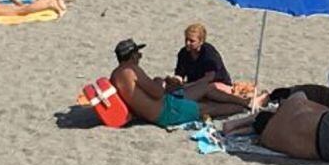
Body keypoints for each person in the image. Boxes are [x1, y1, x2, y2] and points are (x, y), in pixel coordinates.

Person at [109, 38, 256, 128]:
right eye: (138, 54)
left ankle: (245, 102)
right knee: (209, 108)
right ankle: (242, 107)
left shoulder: (115, 74)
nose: (140, 56)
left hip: (165, 104)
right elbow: (157, 92)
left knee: (205, 88)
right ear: (132, 55)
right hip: (166, 112)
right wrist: (160, 81)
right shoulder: (132, 70)